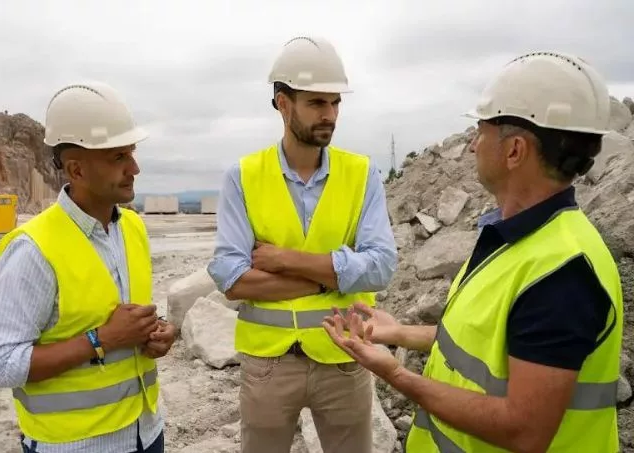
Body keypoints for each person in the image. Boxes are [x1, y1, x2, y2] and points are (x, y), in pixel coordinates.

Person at [324, 51, 624, 453]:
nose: (471, 146)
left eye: (480, 132)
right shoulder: (518, 239)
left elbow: (523, 431)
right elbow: (486, 343)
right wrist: (400, 333)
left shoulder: (562, 274)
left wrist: (395, 373)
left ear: (514, 150)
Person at [207, 36, 398, 453]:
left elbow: (382, 266)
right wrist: (329, 279)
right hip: (268, 364)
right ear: (283, 103)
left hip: (346, 356)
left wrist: (284, 260)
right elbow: (231, 278)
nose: (329, 114)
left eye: (335, 103)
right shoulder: (243, 177)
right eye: (316, 103)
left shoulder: (362, 174)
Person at [0, 81, 176, 453]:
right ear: (77, 170)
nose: (134, 168)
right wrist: (100, 340)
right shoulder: (33, 249)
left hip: (146, 431)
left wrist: (157, 331)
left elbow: (117, 315)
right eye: (118, 157)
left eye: (132, 153)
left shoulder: (133, 228)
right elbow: (0, 365)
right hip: (75, 445)